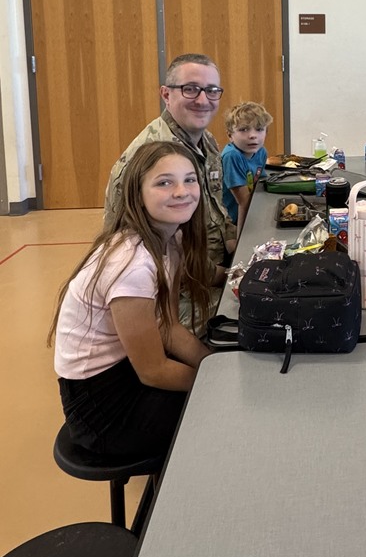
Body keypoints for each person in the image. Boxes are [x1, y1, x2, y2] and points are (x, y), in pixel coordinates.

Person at [49, 141, 211, 459]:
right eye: (164, 182)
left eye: (190, 179)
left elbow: (169, 328)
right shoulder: (132, 265)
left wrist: (214, 364)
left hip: (126, 371)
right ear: (137, 194)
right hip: (101, 407)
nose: (182, 191)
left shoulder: (172, 240)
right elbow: (153, 371)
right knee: (214, 417)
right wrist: (216, 385)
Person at [104, 53, 237, 314]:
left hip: (210, 270)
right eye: (190, 89)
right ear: (166, 94)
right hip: (169, 296)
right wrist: (229, 277)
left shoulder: (206, 142)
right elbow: (152, 259)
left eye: (211, 90)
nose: (202, 100)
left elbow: (216, 213)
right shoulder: (152, 157)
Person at [221, 101, 273, 234]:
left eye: (259, 129)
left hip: (251, 212)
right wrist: (242, 240)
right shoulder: (232, 156)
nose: (252, 135)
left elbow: (260, 183)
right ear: (230, 135)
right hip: (230, 222)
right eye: (244, 129)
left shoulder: (261, 152)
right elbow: (244, 202)